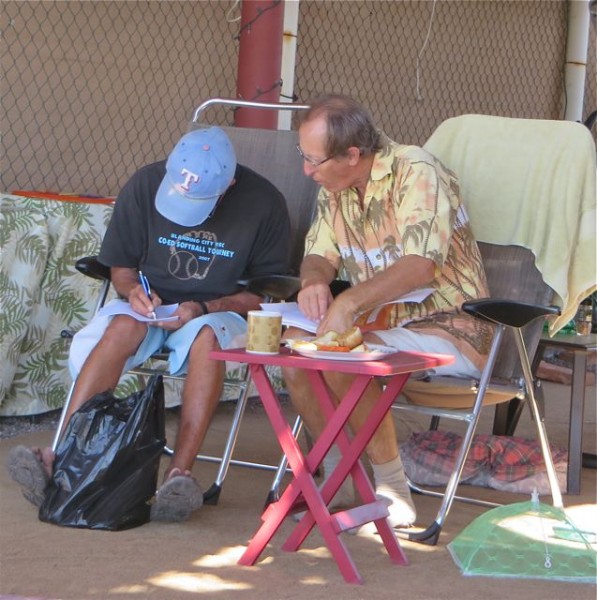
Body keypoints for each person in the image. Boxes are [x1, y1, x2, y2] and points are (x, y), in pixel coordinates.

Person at [8, 126, 291, 522]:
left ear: (226, 187)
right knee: (120, 328)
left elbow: (265, 291)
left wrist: (204, 305)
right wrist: (132, 292)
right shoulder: (146, 182)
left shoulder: (265, 203)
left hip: (214, 310)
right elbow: (121, 265)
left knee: (208, 341)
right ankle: (61, 457)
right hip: (150, 304)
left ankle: (180, 477)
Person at [283, 94, 492, 530]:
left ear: (353, 154)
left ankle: (393, 488)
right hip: (382, 328)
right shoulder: (334, 185)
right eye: (303, 156)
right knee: (296, 362)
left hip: (451, 328)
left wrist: (349, 302)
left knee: (342, 357)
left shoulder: (416, 171)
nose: (306, 170)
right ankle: (341, 469)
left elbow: (421, 266)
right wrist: (315, 281)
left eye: (314, 160)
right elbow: (318, 253)